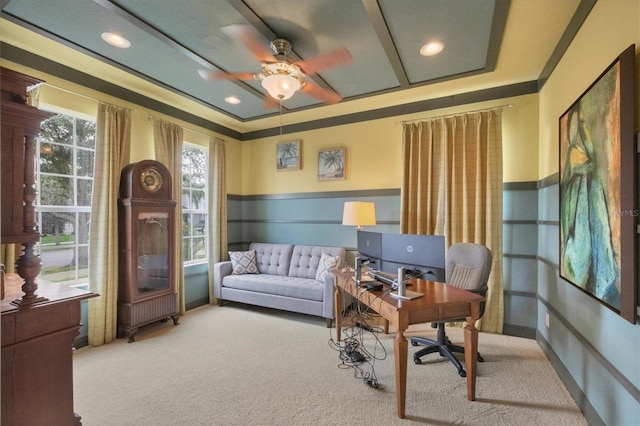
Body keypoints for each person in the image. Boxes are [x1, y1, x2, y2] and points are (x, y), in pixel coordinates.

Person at [560, 104, 619, 307]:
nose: (586, 128)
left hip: (588, 213)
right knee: (580, 256)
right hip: (579, 222)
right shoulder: (574, 160)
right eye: (582, 123)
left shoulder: (588, 166)